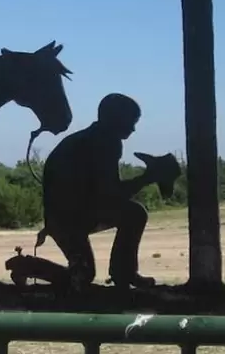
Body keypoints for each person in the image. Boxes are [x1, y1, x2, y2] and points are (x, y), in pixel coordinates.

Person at [41, 92, 159, 290]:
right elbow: (110, 194)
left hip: (67, 217)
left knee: (83, 274)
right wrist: (147, 178)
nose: (132, 128)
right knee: (134, 213)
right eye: (130, 121)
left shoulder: (91, 139)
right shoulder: (105, 142)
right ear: (115, 119)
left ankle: (29, 266)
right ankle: (124, 273)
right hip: (69, 219)